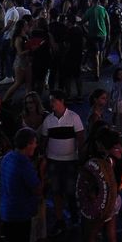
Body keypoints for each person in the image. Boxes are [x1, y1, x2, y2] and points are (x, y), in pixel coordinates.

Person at [0, 127, 42, 242]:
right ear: (28, 144)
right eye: (34, 143)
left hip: (6, 210)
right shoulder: (24, 164)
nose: (36, 146)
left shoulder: (7, 157)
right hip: (19, 212)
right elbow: (37, 188)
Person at [77, 128, 122, 242]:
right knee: (111, 238)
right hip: (115, 200)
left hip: (100, 202)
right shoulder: (117, 156)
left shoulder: (99, 161)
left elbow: (92, 185)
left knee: (90, 237)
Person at [38, 91, 84, 229]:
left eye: (53, 101)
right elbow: (44, 140)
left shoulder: (74, 118)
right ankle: (60, 219)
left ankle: (74, 215)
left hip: (70, 161)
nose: (51, 104)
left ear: (61, 101)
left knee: (70, 190)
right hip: (53, 160)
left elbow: (80, 138)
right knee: (56, 191)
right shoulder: (48, 121)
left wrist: (80, 158)